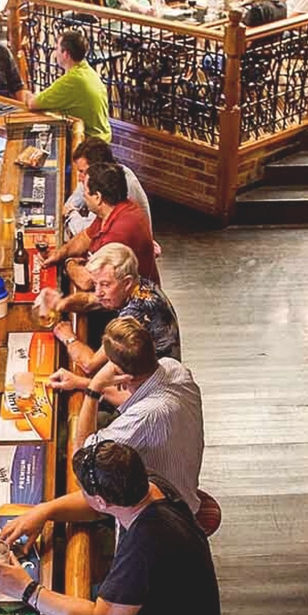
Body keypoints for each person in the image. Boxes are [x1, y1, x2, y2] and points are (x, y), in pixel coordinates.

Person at [0, 441, 225, 615]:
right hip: (163, 612)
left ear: (102, 500)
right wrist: (44, 511)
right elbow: (92, 505)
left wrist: (25, 589)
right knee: (52, 612)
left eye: (84, 490)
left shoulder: (145, 544)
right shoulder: (150, 486)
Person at [50, 316, 203, 510]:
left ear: (120, 372)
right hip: (183, 484)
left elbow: (83, 456)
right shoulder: (174, 368)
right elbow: (133, 398)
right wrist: (82, 382)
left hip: (167, 511)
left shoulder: (145, 417)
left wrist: (94, 389)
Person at [46, 243, 180, 375]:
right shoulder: (137, 285)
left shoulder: (134, 313)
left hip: (157, 385)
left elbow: (90, 365)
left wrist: (68, 337)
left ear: (127, 282)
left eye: (105, 284)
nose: (98, 292)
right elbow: (89, 300)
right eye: (95, 284)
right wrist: (60, 303)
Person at [45, 162, 158, 291]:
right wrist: (60, 253)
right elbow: (85, 238)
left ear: (98, 197)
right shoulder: (111, 210)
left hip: (134, 302)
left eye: (86, 192)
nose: (84, 196)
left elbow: (88, 281)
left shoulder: (119, 232)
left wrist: (68, 263)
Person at [27, 31, 112, 142]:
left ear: (66, 54)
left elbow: (33, 104)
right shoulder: (86, 69)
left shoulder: (71, 81)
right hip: (103, 136)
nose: (55, 52)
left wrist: (27, 94)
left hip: (88, 144)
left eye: (57, 48)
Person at [64, 138, 152, 238]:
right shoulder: (93, 177)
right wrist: (70, 210)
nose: (79, 178)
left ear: (97, 168)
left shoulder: (113, 186)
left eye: (82, 171)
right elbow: (72, 203)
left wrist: (70, 214)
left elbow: (87, 230)